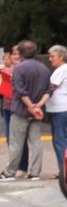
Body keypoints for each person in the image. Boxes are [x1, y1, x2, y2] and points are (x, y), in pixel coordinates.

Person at [0, 41, 50, 180]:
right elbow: (48, 91)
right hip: (37, 111)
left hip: (20, 110)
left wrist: (30, 106)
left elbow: (20, 91)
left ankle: (10, 172)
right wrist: (37, 106)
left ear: (20, 53)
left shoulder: (19, 68)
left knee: (16, 142)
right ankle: (35, 172)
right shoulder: (44, 68)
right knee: (36, 141)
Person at [46, 44, 67, 176]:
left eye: (52, 56)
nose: (50, 59)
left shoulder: (61, 70)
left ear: (61, 57)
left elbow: (50, 87)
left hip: (60, 109)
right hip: (61, 108)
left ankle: (63, 172)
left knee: (60, 141)